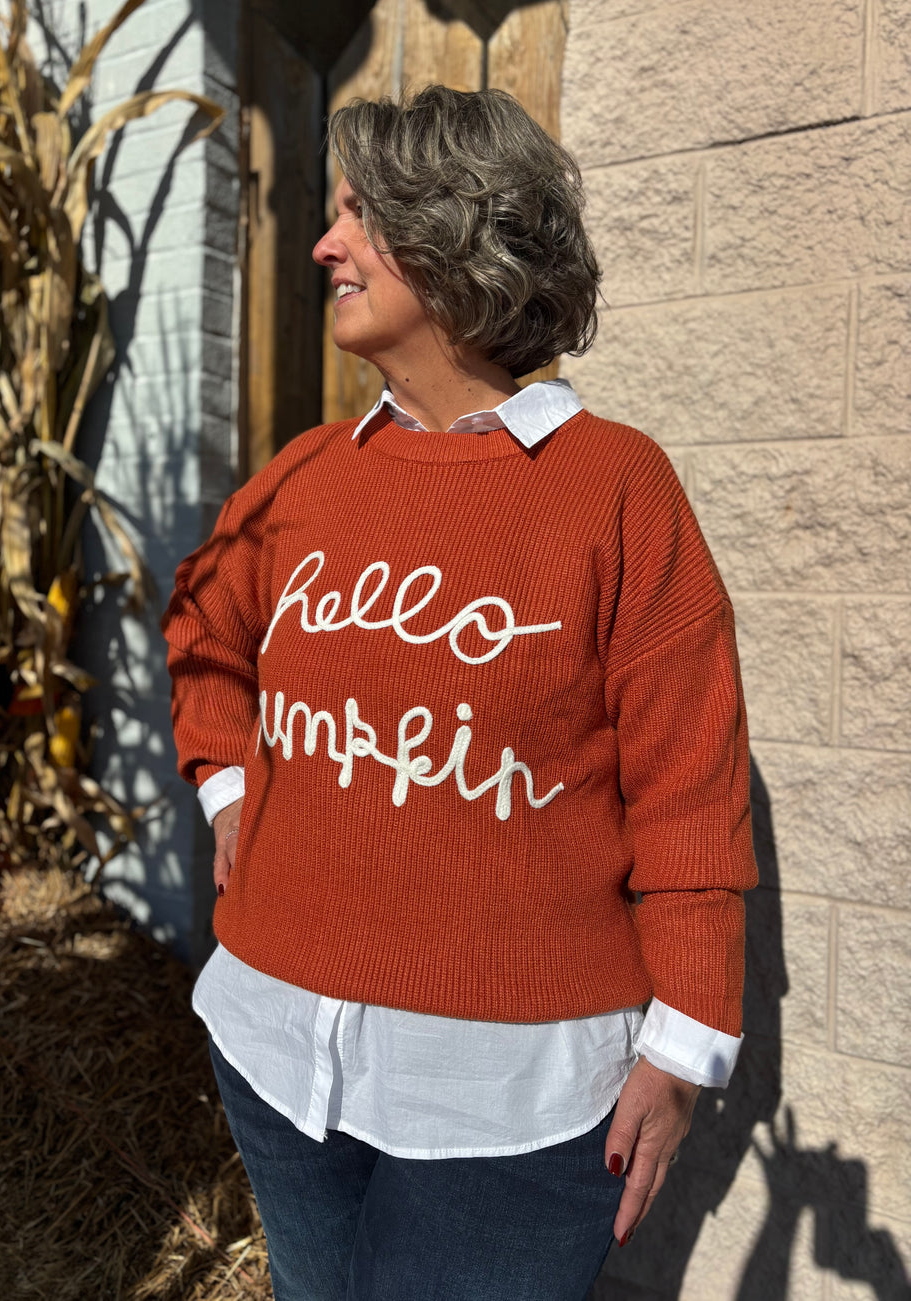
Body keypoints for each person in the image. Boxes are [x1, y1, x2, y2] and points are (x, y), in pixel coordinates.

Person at [162, 85, 757, 1301]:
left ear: (455, 234)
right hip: (276, 1052)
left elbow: (689, 791)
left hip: (515, 1105)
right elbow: (203, 626)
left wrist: (686, 1048)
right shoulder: (305, 478)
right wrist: (227, 789)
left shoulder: (613, 489)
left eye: (358, 216)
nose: (324, 246)